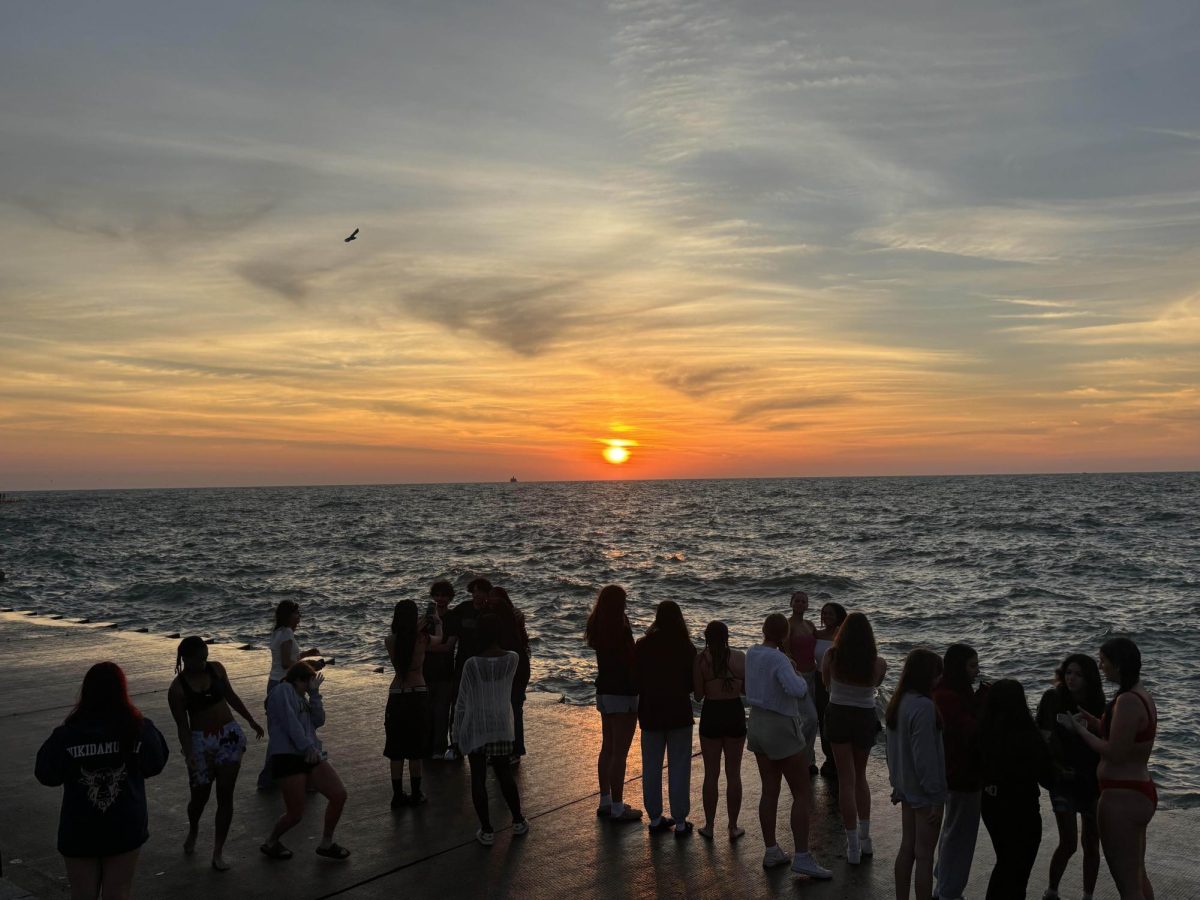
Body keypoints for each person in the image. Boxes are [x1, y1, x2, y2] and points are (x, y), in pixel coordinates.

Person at [36, 662, 169, 900]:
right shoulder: (138, 729)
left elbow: (46, 774)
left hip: (80, 827)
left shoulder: (66, 735)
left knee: (82, 895)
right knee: (118, 893)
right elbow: (156, 762)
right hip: (125, 824)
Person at [1058, 638, 1157, 900]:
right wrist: (1093, 722)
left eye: (1104, 662)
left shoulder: (1128, 701)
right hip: (1136, 791)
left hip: (1122, 796)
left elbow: (1115, 751)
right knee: (1137, 874)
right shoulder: (1141, 694)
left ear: (1119, 665)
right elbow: (1123, 736)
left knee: (1128, 884)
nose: (1101, 668)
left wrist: (1080, 730)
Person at [745, 613, 831, 878]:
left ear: (763, 630)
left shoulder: (752, 653)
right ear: (785, 636)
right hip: (781, 725)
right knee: (801, 793)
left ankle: (771, 850)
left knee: (769, 791)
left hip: (757, 723)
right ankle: (802, 856)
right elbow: (798, 690)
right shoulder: (780, 659)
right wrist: (794, 671)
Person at [167, 637, 264, 871]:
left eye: (206, 656)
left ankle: (218, 851)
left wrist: (250, 720)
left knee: (225, 793)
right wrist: (189, 752)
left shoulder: (217, 669)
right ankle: (194, 827)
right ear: (186, 659)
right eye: (199, 659)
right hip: (201, 741)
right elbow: (182, 725)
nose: (204, 662)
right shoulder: (177, 689)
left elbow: (230, 696)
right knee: (199, 797)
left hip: (228, 736)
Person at [453, 613, 530, 846]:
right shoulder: (512, 659)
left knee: (478, 777)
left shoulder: (472, 663)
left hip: (478, 724)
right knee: (504, 773)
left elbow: (462, 700)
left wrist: (457, 732)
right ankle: (517, 820)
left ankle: (487, 830)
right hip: (501, 723)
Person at [261, 662, 349, 861]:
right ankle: (271, 841)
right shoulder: (282, 691)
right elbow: (290, 722)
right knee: (296, 814)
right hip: (288, 757)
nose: (312, 685)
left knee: (339, 795)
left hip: (311, 755)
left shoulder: (304, 699)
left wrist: (316, 695)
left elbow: (318, 721)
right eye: (311, 681)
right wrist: (307, 747)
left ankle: (326, 842)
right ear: (302, 679)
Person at [1036, 654, 1105, 900]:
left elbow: (1104, 738)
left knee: (1091, 842)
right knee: (1068, 842)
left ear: (1089, 678)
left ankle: (1088, 895)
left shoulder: (1097, 702)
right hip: (1062, 779)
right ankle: (1052, 890)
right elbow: (1042, 735)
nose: (1071, 679)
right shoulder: (1053, 698)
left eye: (1078, 674)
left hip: (1090, 780)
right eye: (1068, 673)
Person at [821, 610, 887, 864]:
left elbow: (826, 685)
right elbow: (876, 683)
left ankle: (851, 848)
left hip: (838, 714)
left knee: (845, 779)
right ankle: (866, 839)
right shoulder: (878, 662)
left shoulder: (831, 656)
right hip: (864, 717)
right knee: (861, 776)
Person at [978, 679, 1053, 900]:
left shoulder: (984, 731)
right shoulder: (1027, 736)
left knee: (1004, 862)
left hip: (992, 805)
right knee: (1019, 871)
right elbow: (1046, 774)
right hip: (1022, 809)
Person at [886, 649, 947, 900]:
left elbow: (892, 749)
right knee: (924, 856)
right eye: (937, 673)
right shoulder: (923, 706)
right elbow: (925, 757)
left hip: (905, 786)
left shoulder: (899, 701)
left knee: (907, 849)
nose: (940, 678)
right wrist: (935, 796)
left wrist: (895, 783)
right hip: (923, 792)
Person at [635, 600, 698, 836]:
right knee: (680, 766)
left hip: (651, 711)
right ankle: (681, 821)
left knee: (651, 765)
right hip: (679, 712)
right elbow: (692, 684)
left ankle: (654, 817)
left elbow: (637, 679)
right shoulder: (686, 646)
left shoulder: (642, 645)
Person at [933, 643, 987, 900]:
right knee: (960, 836)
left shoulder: (945, 691)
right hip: (963, 774)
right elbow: (970, 732)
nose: (977, 671)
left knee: (952, 830)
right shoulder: (950, 697)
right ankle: (950, 891)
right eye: (972, 666)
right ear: (959, 667)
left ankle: (943, 883)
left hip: (951, 773)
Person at [585, 584, 643, 822]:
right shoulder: (620, 627)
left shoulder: (597, 624)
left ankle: (605, 800)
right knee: (620, 752)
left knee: (607, 748)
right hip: (623, 693)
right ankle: (619, 807)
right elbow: (631, 659)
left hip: (604, 691)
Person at [257, 601, 321, 790]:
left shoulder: (279, 633)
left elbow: (286, 658)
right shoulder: (286, 633)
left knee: (279, 733)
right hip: (283, 684)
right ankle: (272, 778)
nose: (299, 617)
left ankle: (269, 779)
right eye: (296, 614)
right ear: (288, 616)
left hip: (275, 682)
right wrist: (310, 666)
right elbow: (286, 663)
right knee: (297, 728)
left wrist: (304, 655)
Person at [384, 599, 441, 807]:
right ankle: (416, 793)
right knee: (415, 750)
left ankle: (397, 795)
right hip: (417, 693)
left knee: (396, 750)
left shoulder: (390, 640)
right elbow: (440, 639)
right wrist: (436, 620)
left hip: (397, 693)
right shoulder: (422, 639)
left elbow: (403, 641)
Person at [693, 620, 747, 840]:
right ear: (727, 636)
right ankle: (733, 827)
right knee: (733, 774)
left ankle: (709, 826)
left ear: (707, 636)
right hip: (734, 712)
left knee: (711, 774)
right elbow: (747, 689)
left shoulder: (701, 660)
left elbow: (697, 695)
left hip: (712, 713)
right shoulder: (740, 657)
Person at [442, 577, 491, 760]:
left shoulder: (491, 611)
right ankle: (455, 743)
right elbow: (446, 620)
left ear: (487, 593)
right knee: (458, 703)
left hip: (483, 665)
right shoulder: (463, 609)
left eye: (480, 591)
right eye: (474, 591)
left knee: (482, 705)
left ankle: (483, 744)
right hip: (462, 663)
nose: (477, 595)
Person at [488, 585, 531, 764]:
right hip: (518, 667)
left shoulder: (508, 621)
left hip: (515, 669)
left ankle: (514, 749)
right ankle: (507, 749)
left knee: (513, 707)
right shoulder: (511, 620)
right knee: (510, 708)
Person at [786, 590, 821, 775]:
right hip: (798, 677)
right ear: (791, 603)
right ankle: (800, 758)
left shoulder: (809, 625)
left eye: (803, 601)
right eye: (797, 601)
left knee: (811, 721)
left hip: (813, 675)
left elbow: (822, 640)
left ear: (807, 605)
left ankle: (809, 759)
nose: (800, 604)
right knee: (810, 718)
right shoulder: (788, 626)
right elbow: (785, 653)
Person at [423, 581, 458, 758]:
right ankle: (428, 747)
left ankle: (439, 748)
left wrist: (426, 647)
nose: (440, 598)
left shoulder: (452, 618)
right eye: (437, 595)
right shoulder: (426, 618)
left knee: (442, 711)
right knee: (427, 711)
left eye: (444, 595)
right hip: (426, 671)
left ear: (450, 597)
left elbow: (449, 647)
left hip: (445, 672)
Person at [813, 601, 847, 778]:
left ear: (839, 617)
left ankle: (839, 759)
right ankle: (829, 758)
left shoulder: (843, 637)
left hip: (839, 681)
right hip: (819, 680)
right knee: (822, 717)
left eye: (830, 614)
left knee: (837, 719)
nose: (826, 617)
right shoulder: (816, 634)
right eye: (824, 613)